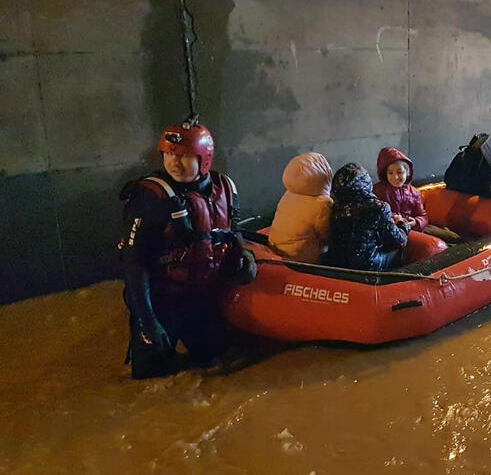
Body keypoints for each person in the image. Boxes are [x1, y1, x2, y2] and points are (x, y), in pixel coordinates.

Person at [118, 122, 257, 380]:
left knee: (218, 359)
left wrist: (244, 256)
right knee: (149, 374)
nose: (175, 163)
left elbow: (230, 231)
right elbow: (134, 264)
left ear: (204, 160)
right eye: (169, 154)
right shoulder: (150, 198)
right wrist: (147, 320)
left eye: (183, 156)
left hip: (202, 298)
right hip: (162, 300)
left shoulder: (224, 188)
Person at [322, 163, 409, 271]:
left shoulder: (336, 206)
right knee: (399, 251)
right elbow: (397, 241)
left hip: (336, 263)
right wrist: (402, 225)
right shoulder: (379, 207)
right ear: (366, 182)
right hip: (367, 265)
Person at [267, 152, 333, 263]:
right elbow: (327, 235)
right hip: (301, 257)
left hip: (277, 248)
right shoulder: (323, 204)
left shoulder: (288, 194)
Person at [372, 147, 428, 232]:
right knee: (435, 243)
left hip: (412, 228)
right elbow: (374, 213)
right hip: (392, 231)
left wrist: (416, 222)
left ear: (407, 172)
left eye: (399, 172)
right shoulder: (378, 191)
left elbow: (422, 215)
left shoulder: (413, 192)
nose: (395, 177)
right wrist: (394, 218)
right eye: (390, 173)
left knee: (450, 236)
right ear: (385, 174)